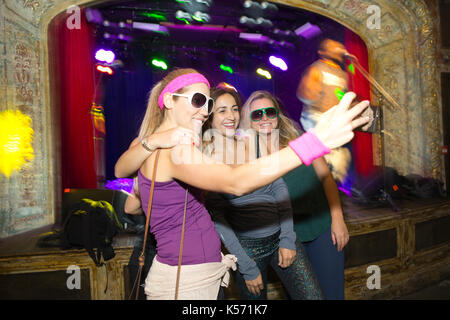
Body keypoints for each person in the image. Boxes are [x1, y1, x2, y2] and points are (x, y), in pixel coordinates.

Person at [114, 67, 370, 299]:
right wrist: (315, 142)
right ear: (169, 100)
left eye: (208, 103)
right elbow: (235, 183)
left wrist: (153, 145)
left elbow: (123, 176)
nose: (205, 111)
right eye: (199, 101)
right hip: (190, 278)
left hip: (193, 270)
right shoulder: (179, 151)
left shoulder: (151, 144)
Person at [203, 85, 323, 300]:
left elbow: (279, 188)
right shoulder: (205, 160)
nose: (231, 116)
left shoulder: (252, 139)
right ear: (209, 117)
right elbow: (218, 219)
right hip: (247, 250)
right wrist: (247, 266)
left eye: (234, 108)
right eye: (222, 111)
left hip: (281, 237)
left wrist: (287, 239)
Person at [240, 90, 349, 299]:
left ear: (278, 115)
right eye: (257, 115)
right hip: (287, 239)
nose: (264, 118)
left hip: (322, 227)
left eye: (269, 112)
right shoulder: (247, 158)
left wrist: (338, 219)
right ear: (249, 121)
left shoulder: (302, 141)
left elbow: (327, 179)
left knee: (333, 294)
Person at [296, 38, 373, 183]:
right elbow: (303, 93)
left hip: (333, 120)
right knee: (328, 155)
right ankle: (321, 187)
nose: (340, 48)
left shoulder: (343, 74)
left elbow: (341, 95)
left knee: (342, 157)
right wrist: (312, 95)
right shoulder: (316, 68)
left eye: (340, 46)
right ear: (322, 52)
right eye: (334, 47)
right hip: (316, 117)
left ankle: (336, 188)